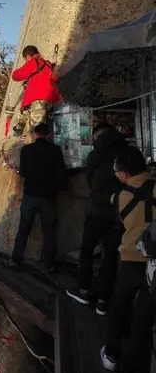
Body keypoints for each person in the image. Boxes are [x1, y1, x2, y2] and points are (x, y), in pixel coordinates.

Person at [100, 147, 154, 373]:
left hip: (131, 261)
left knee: (118, 308)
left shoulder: (118, 197)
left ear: (123, 174)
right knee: (142, 324)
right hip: (155, 268)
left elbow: (121, 223)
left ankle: (111, 355)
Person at [67, 124, 128, 316]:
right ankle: (103, 301)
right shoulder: (128, 151)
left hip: (97, 210)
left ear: (99, 135)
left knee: (87, 249)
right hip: (120, 211)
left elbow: (89, 180)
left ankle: (84, 290)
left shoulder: (96, 154)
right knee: (110, 255)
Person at [4, 123, 66, 271]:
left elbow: (24, 172)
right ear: (48, 134)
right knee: (49, 231)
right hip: (48, 196)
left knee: (24, 228)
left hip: (30, 195)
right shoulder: (55, 150)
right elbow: (61, 173)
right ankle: (50, 264)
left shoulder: (27, 150)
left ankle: (16, 260)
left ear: (35, 134)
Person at [12, 45, 62, 136]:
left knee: (37, 132)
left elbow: (16, 76)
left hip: (37, 101)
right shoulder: (47, 64)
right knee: (40, 129)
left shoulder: (33, 62)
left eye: (25, 59)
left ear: (28, 56)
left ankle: (31, 145)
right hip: (48, 100)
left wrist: (28, 64)